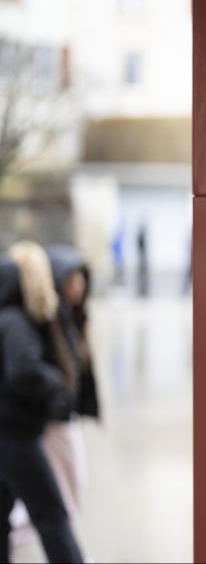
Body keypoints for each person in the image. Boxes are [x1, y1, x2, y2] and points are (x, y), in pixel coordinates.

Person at [0, 241, 84, 563]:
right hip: (16, 436)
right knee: (52, 515)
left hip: (11, 432)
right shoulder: (15, 321)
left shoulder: (12, 317)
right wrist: (56, 384)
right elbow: (23, 370)